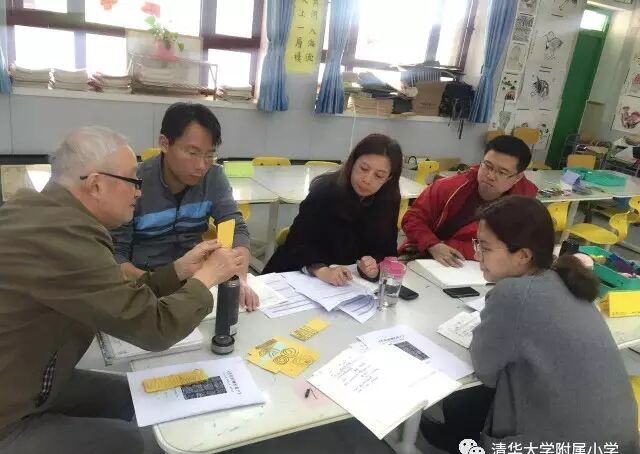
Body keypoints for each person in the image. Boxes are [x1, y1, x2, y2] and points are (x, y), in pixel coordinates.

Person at [0, 127, 246, 454]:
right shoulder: (62, 238)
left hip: (30, 377)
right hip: (10, 413)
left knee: (134, 394)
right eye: (132, 180)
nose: (139, 191)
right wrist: (207, 278)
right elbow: (155, 328)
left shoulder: (48, 215)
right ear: (96, 184)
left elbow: (115, 293)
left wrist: (179, 270)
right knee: (123, 445)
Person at [439, 195, 638, 454]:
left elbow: (485, 371)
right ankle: (450, 438)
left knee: (463, 403)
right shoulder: (565, 279)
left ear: (523, 255)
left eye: (485, 247)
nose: (477, 255)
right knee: (465, 405)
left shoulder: (514, 294)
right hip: (618, 453)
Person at [111, 102, 258, 310]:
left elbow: (236, 227)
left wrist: (239, 279)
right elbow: (117, 255)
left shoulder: (214, 177)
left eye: (209, 155)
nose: (201, 166)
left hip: (198, 282)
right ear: (164, 143)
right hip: (145, 286)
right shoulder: (135, 182)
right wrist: (155, 284)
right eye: (192, 153)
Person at [262, 133, 402, 285]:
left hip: (346, 283)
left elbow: (387, 251)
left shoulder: (388, 201)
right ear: (353, 162)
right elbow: (298, 243)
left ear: (389, 178)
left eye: (379, 176)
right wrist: (321, 270)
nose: (367, 179)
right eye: (363, 168)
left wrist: (373, 268)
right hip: (295, 274)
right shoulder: (325, 190)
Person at [399, 135, 538, 267]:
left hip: (476, 266)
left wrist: (447, 246)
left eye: (501, 172)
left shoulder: (523, 208)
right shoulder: (450, 186)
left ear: (518, 177)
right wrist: (432, 245)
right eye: (487, 166)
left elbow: (510, 248)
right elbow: (412, 218)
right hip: (424, 253)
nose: (490, 175)